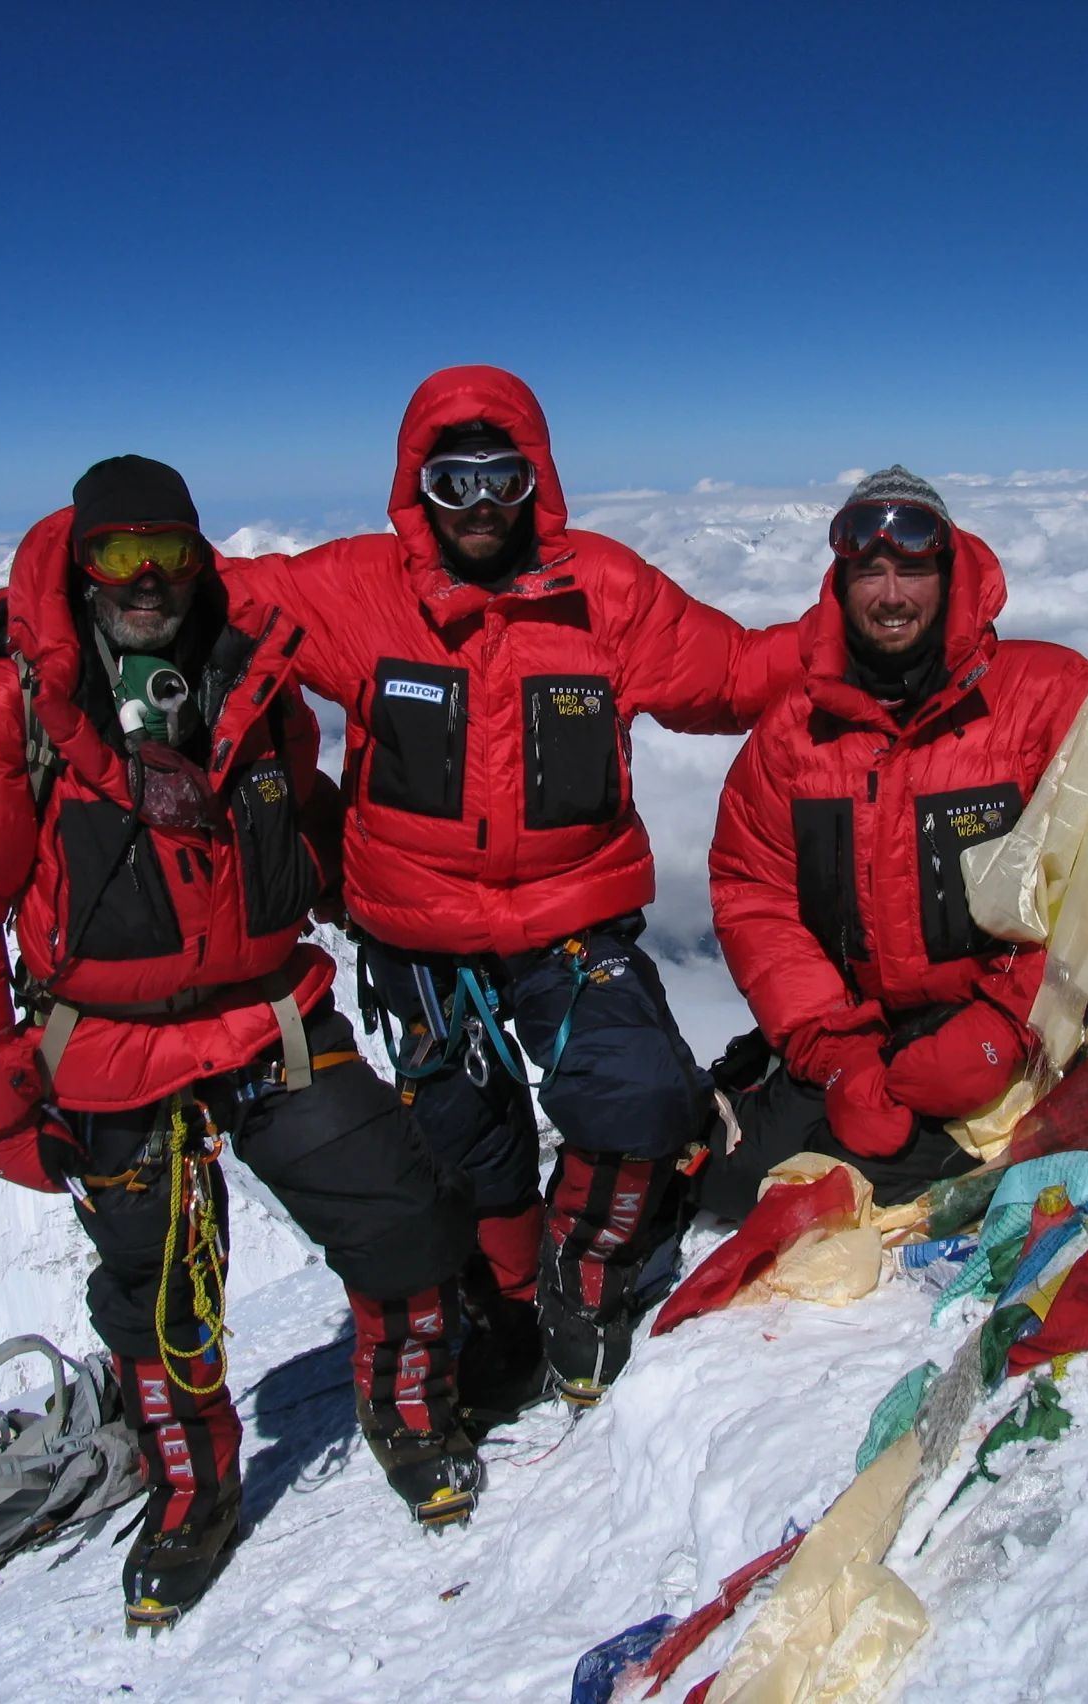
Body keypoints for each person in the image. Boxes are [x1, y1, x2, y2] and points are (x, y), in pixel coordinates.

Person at [0, 456, 478, 1633]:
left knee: (401, 1211)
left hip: (268, 1018)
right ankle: (193, 1492)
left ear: (200, 557)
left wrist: (402, 911)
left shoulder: (253, 678)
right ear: (82, 566)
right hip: (106, 1050)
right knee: (155, 1299)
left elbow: (304, 813)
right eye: (116, 556)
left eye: (168, 553)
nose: (145, 581)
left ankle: (410, 1412)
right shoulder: (8, 709)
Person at [216, 365, 807, 1407]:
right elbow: (204, 601)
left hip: (571, 917)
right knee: (466, 1153)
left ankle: (583, 1281)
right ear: (416, 489)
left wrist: (882, 627)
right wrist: (43, 613)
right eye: (453, 484)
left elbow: (734, 674)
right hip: (418, 937)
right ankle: (506, 1305)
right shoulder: (357, 591)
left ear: (538, 480)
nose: (481, 507)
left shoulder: (604, 593)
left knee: (642, 1097)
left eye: (503, 478)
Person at [702, 467, 1088, 1215]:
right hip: (866, 1032)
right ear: (841, 584)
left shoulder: (1044, 697)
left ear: (950, 578)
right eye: (870, 573)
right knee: (734, 1186)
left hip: (1005, 1018)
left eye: (914, 570)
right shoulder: (794, 733)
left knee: (995, 1145)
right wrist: (834, 1052)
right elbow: (755, 896)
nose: (891, 595)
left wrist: (1011, 1020)